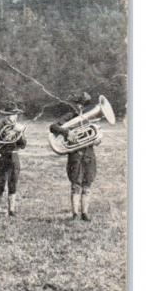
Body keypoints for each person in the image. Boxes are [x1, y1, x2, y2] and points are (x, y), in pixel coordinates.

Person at [50, 92, 99, 221]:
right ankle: (75, 214)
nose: (80, 106)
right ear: (75, 105)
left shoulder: (90, 119)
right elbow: (53, 126)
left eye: (83, 104)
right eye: (78, 104)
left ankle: (85, 213)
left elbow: (96, 137)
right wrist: (67, 132)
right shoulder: (70, 116)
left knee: (87, 184)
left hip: (89, 155)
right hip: (75, 156)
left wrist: (97, 139)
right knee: (76, 185)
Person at [0, 102, 28, 217]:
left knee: (13, 183)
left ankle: (12, 210)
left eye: (15, 115)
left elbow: (23, 145)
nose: (14, 117)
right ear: (5, 115)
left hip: (14, 156)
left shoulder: (18, 127)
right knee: (0, 184)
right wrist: (1, 140)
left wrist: (19, 132)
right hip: (2, 157)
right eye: (11, 114)